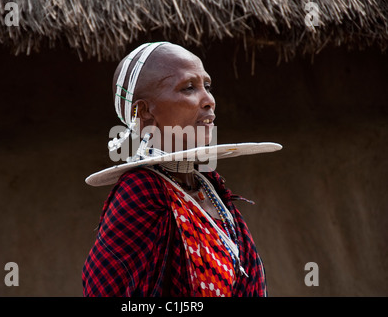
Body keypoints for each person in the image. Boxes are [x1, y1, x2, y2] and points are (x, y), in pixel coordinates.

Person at [82, 42, 281, 297]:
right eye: (188, 88)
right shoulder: (142, 192)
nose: (209, 100)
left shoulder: (210, 187)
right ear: (143, 111)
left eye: (207, 86)